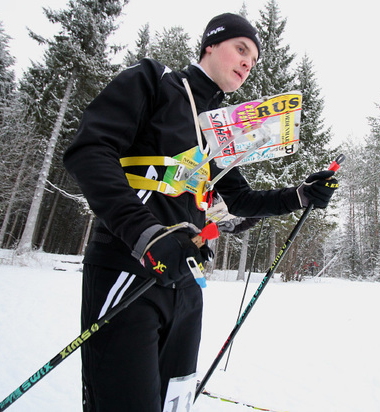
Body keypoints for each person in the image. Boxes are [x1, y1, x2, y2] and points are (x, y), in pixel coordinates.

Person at [63, 12, 338, 412]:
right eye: (241, 49)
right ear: (210, 44)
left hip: (186, 284)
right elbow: (89, 150)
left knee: (175, 404)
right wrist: (147, 234)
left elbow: (239, 203)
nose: (248, 62)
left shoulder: (219, 128)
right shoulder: (155, 82)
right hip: (129, 267)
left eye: (254, 59)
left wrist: (300, 195)